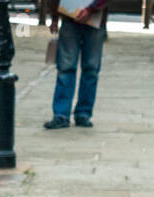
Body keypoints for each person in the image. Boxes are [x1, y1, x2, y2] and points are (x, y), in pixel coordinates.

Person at [44, 1, 107, 129]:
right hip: (70, 18)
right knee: (67, 68)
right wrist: (55, 17)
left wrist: (91, 9)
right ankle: (62, 114)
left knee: (90, 69)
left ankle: (82, 113)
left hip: (94, 18)